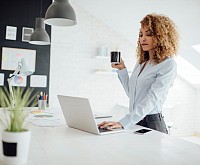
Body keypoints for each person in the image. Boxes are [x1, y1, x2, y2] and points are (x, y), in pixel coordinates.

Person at [98, 13, 179, 133]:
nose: (143, 38)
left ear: (161, 37)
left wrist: (124, 122)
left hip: (151, 123)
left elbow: (152, 99)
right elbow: (132, 93)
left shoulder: (168, 65)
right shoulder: (141, 63)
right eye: (141, 35)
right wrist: (122, 69)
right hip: (135, 120)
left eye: (149, 34)